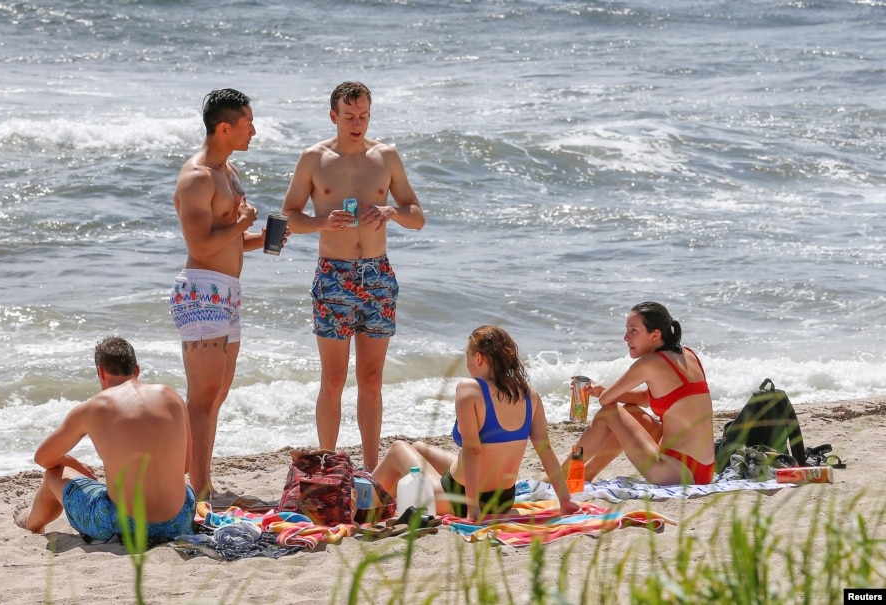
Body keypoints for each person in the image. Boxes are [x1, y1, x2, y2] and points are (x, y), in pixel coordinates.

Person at [281, 81, 426, 470]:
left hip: (377, 274)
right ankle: (329, 464)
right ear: (334, 116)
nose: (357, 123)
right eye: (349, 116)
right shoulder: (314, 158)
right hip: (333, 275)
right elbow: (287, 217)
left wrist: (392, 213)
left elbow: (417, 217)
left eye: (363, 115)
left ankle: (372, 468)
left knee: (372, 378)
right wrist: (322, 222)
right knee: (333, 379)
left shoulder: (386, 156)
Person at [171, 88, 286, 500]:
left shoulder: (230, 172)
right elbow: (201, 246)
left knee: (217, 395)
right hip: (201, 291)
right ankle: (197, 489)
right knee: (202, 398)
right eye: (247, 123)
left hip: (227, 292)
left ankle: (201, 482)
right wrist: (242, 226)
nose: (254, 130)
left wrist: (262, 238)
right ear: (224, 127)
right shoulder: (197, 177)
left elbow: (229, 241)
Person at [371, 326, 580, 520]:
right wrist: (565, 500)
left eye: (467, 357)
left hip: (462, 499)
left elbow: (472, 450)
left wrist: (473, 510)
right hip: (503, 501)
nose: (467, 362)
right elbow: (545, 449)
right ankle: (386, 501)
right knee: (417, 448)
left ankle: (366, 505)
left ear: (478, 358)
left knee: (398, 448)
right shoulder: (529, 395)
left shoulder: (470, 390)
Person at [14, 337, 195, 542]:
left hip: (125, 525)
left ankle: (32, 522)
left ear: (100, 371)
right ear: (136, 369)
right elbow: (185, 466)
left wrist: (73, 463)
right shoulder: (172, 396)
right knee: (182, 486)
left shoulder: (94, 408)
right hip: (179, 519)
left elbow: (43, 458)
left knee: (54, 475)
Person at [568, 302, 715, 485]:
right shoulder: (688, 354)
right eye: (626, 330)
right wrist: (604, 391)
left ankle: (565, 472)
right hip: (703, 471)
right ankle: (586, 474)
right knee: (631, 412)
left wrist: (605, 394)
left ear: (655, 335)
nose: (625, 337)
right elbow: (647, 399)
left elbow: (607, 401)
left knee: (610, 412)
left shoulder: (650, 362)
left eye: (633, 331)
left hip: (674, 473)